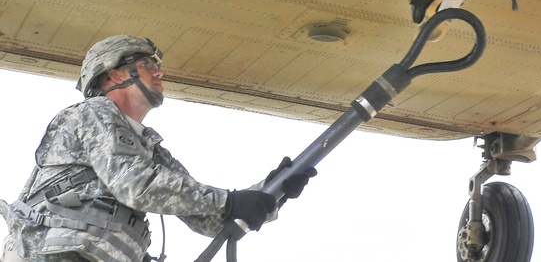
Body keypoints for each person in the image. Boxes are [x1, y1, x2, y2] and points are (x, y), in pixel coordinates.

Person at [0, 35, 315, 262]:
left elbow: (208, 220)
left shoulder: (151, 150)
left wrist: (272, 192)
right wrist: (230, 200)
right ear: (113, 74)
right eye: (147, 64)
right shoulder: (92, 113)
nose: (159, 72)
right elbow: (135, 186)